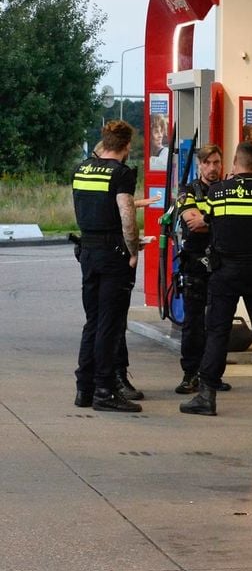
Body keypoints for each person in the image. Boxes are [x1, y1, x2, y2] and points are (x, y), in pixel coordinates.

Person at [179, 141, 252, 417]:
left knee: (217, 332)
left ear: (235, 162)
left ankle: (207, 396)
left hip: (224, 272)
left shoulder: (216, 192)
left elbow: (207, 221)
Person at [72, 121, 143, 412]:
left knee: (93, 320)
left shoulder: (81, 169)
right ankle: (105, 390)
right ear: (126, 146)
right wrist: (134, 250)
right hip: (113, 254)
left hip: (87, 250)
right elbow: (126, 214)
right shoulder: (121, 173)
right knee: (110, 324)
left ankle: (84, 389)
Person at [172, 144, 232, 395]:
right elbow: (193, 224)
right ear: (199, 165)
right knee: (194, 321)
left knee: (218, 322)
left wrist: (209, 219)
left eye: (216, 162)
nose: (212, 168)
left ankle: (213, 375)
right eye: (207, 163)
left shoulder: (228, 190)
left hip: (221, 262)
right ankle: (190, 374)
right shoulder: (188, 191)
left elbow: (231, 223)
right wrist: (220, 220)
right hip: (196, 262)